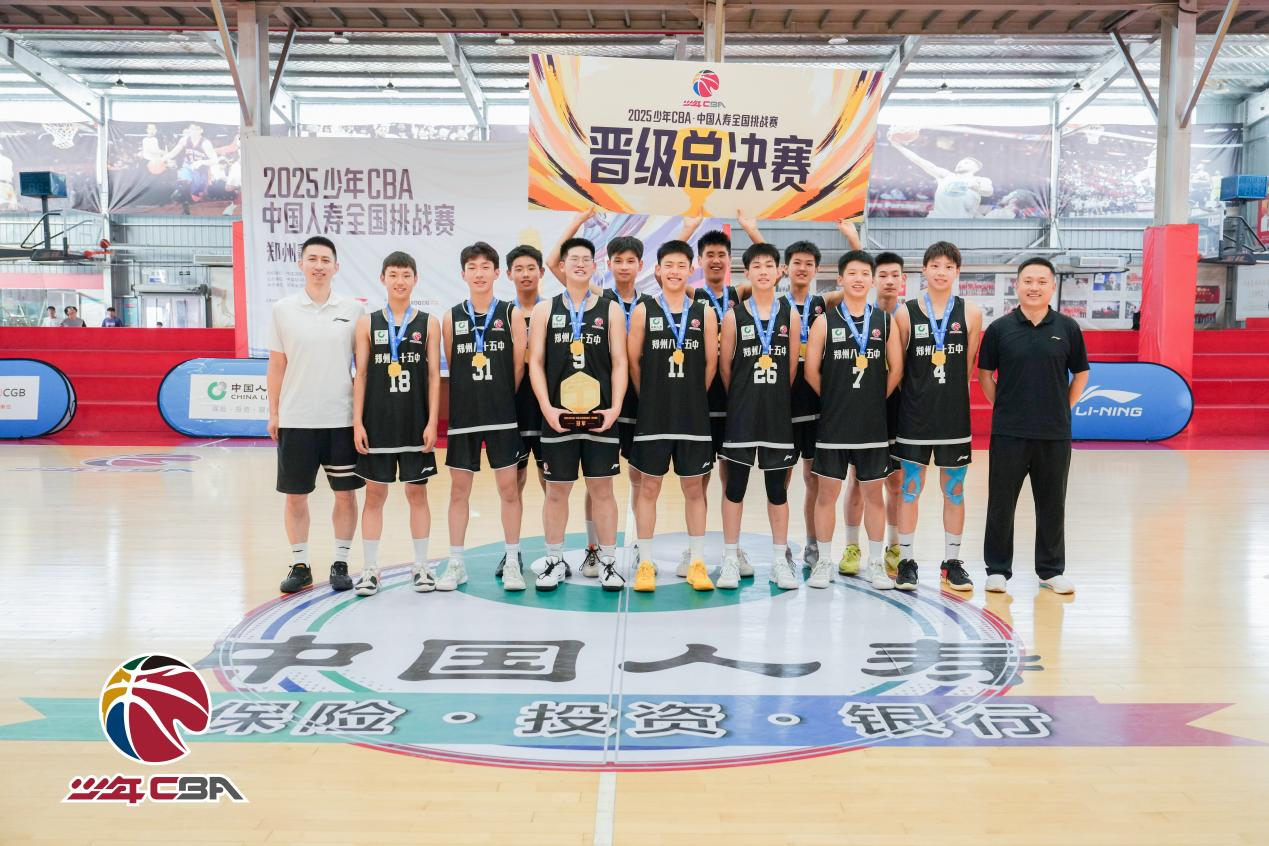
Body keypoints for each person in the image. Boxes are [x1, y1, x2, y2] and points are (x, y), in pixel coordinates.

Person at [977, 257, 1089, 595]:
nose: (1034, 287)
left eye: (1041, 281)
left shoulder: (1067, 328)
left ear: (1052, 287)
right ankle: (997, 570)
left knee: (1052, 503)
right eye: (1028, 281)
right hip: (1009, 432)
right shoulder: (1000, 329)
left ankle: (1051, 571)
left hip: (1053, 433)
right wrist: (1004, 405)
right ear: (1017, 285)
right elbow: (985, 374)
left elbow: (1081, 373)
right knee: (1001, 504)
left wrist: (1063, 407)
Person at [529, 236, 628, 592]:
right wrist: (546, 407)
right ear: (563, 266)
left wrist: (615, 408)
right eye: (575, 259)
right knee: (556, 491)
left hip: (600, 418)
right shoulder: (545, 309)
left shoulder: (610, 310)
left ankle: (608, 562)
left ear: (594, 266)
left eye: (587, 259)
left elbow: (620, 362)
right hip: (558, 417)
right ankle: (554, 561)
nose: (581, 264)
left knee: (602, 489)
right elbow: (535, 362)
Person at [267, 235, 366, 594]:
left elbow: (362, 370)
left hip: (340, 419)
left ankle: (340, 563)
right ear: (301, 265)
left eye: (326, 260)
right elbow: (277, 364)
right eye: (313, 259)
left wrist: (359, 418)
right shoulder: (283, 309)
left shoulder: (353, 310)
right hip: (296, 419)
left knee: (346, 495)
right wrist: (274, 412)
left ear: (336, 267)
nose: (319, 266)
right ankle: (300, 565)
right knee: (295, 496)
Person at [804, 250, 903, 590]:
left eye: (864, 274)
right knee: (826, 495)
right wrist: (835, 400)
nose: (859, 279)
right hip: (834, 425)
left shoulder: (885, 322)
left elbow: (896, 369)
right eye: (852, 273)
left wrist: (872, 401)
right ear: (840, 279)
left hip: (872, 427)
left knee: (874, 495)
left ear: (871, 280)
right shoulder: (824, 321)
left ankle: (875, 563)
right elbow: (810, 370)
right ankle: (824, 561)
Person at [626, 239, 718, 593]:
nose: (675, 271)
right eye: (669, 265)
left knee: (694, 488)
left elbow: (710, 365)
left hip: (693, 416)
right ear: (658, 270)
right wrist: (652, 396)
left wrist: (690, 395)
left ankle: (697, 562)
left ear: (691, 270)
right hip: (654, 416)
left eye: (682, 265)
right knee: (649, 487)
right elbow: (634, 363)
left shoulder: (704, 313)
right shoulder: (643, 311)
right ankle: (645, 563)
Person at [891, 241, 982, 592]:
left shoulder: (970, 313)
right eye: (935, 265)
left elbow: (968, 367)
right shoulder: (906, 313)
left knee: (954, 490)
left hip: (953, 418)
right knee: (910, 489)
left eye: (948, 266)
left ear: (957, 272)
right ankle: (906, 560)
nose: (941, 272)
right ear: (924, 270)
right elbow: (900, 368)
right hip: (914, 418)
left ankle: (952, 562)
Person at [737, 215, 826, 571]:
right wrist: (751, 230)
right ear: (785, 269)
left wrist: (854, 241)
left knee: (813, 477)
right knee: (781, 478)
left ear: (816, 269)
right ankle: (782, 547)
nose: (802, 268)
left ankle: (813, 543)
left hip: (814, 402)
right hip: (781, 402)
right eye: (796, 263)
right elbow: (761, 264)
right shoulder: (775, 303)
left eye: (809, 264)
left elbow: (861, 278)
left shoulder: (823, 302)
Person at [350, 252, 441, 595]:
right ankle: (370, 569)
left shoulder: (429, 323)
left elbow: (433, 377)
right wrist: (357, 423)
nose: (399, 281)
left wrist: (432, 422)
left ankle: (422, 566)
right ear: (383, 279)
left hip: (415, 423)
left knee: (417, 493)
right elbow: (360, 375)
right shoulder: (367, 323)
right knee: (375, 494)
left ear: (415, 279)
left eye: (405, 275)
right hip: (377, 424)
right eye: (393, 274)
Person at [443, 242, 530, 592]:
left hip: (501, 416)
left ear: (496, 273)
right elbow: (455, 364)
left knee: (509, 490)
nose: (478, 273)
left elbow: (518, 367)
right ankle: (456, 564)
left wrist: (499, 398)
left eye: (484, 267)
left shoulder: (511, 314)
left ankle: (512, 562)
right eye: (472, 267)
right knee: (458, 491)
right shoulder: (451, 317)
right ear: (463, 274)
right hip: (464, 418)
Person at [718, 242, 801, 591]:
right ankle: (730, 558)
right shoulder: (733, 316)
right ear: (747, 273)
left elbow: (791, 368)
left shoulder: (790, 315)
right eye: (757, 266)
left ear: (779, 272)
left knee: (777, 491)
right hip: (742, 416)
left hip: (776, 417)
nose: (764, 271)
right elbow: (726, 369)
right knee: (734, 488)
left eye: (769, 265)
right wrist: (744, 398)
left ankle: (780, 561)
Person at [843, 249, 906, 577]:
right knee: (857, 479)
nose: (889, 281)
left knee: (895, 482)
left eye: (895, 275)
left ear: (903, 280)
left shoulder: (907, 318)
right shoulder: (850, 313)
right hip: (859, 410)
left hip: (896, 410)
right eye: (882, 275)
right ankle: (852, 546)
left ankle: (894, 547)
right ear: (871, 279)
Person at [508, 244, 547, 499]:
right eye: (519, 269)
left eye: (531, 268)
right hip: (515, 406)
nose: (525, 274)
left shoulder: (554, 311)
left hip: (547, 407)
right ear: (508, 274)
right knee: (514, 483)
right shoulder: (503, 314)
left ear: (541, 272)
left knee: (551, 482)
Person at [888, 127, 994, 219]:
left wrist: (977, 188)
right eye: (960, 162)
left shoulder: (980, 180)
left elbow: (988, 191)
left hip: (961, 222)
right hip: (936, 220)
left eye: (966, 162)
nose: (961, 164)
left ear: (975, 168)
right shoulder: (946, 175)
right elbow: (920, 161)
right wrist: (899, 147)